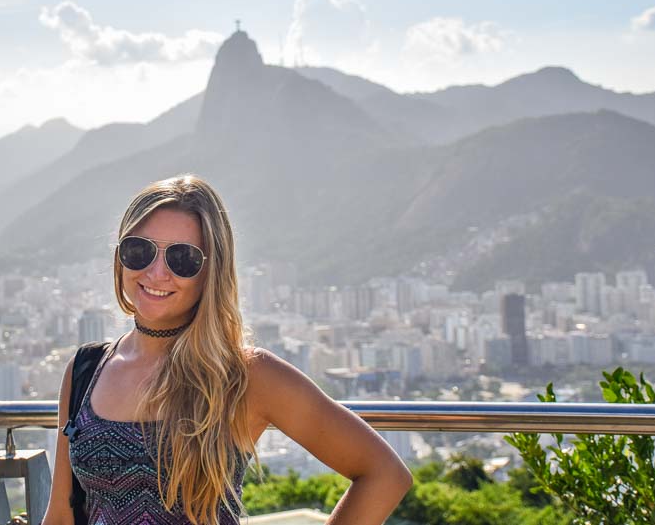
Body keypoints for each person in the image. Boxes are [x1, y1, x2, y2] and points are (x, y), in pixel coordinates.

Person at [42, 174, 412, 525]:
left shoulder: (244, 376)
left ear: (211, 271)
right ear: (120, 256)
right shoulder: (85, 370)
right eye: (140, 250)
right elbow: (60, 515)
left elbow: (384, 473)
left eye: (182, 258)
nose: (156, 273)